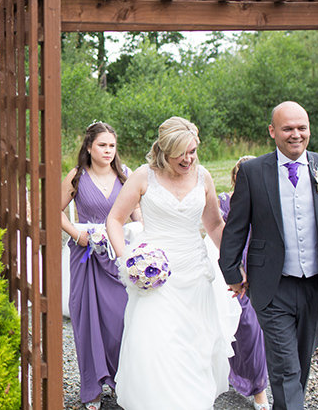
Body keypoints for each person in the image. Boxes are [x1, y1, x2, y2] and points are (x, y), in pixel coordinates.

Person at [220, 101, 318, 410]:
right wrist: (232, 273)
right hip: (272, 286)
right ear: (273, 131)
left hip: (316, 284)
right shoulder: (252, 171)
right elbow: (235, 228)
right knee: (286, 367)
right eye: (288, 128)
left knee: (300, 363)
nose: (296, 135)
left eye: (302, 128)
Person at [107, 116, 240, 410]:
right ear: (164, 150)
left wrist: (234, 267)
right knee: (157, 346)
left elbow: (215, 225)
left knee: (193, 349)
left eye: (193, 151)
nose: (188, 159)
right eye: (181, 153)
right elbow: (115, 219)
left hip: (194, 274)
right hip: (155, 277)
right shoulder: (143, 176)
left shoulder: (203, 176)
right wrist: (128, 259)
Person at [61, 122, 141, 410]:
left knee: (122, 320)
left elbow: (137, 216)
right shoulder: (77, 176)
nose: (108, 150)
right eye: (102, 145)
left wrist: (141, 239)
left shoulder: (126, 175)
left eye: (112, 146)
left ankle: (122, 382)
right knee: (88, 322)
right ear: (89, 147)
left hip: (117, 257)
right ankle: (92, 388)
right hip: (87, 258)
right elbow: (52, 211)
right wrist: (76, 234)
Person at [218, 156, 270, 410]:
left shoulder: (268, 200)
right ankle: (233, 373)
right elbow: (221, 237)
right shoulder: (225, 202)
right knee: (237, 327)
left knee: (254, 328)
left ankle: (259, 389)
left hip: (262, 267)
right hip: (236, 268)